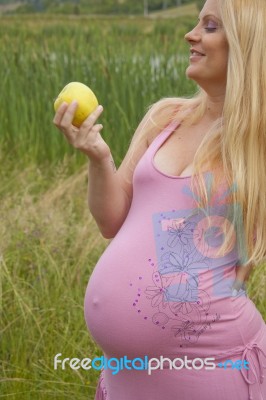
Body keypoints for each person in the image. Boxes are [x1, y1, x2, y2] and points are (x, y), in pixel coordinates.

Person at [53, 0, 266, 398]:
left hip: (210, 369)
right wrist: (98, 157)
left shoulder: (255, 146)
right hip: (129, 374)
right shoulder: (167, 118)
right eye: (196, 22)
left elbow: (234, 261)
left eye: (210, 25)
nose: (191, 34)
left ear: (246, 43)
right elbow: (111, 222)